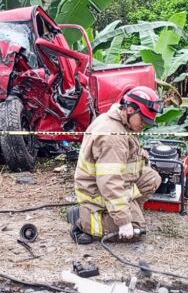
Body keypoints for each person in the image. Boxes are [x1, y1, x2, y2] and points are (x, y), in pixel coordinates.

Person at [68, 86, 163, 244]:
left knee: (151, 179)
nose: (144, 125)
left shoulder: (120, 120)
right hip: (97, 192)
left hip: (114, 182)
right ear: (130, 110)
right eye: (143, 120)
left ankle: (126, 210)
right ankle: (85, 221)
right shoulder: (113, 137)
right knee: (136, 229)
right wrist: (124, 222)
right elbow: (109, 182)